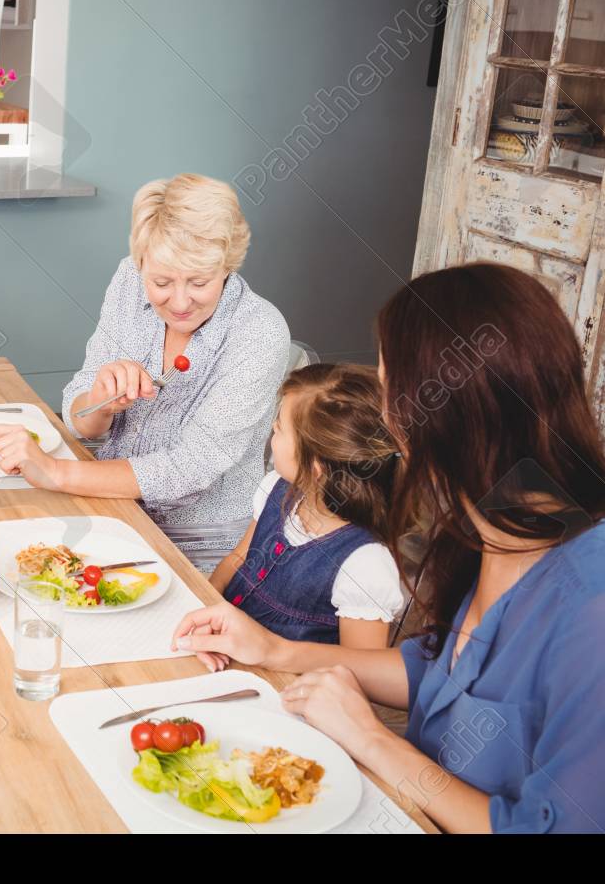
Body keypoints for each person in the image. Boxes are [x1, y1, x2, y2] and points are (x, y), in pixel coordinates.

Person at [172, 263, 605, 833]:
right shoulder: (494, 530)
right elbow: (439, 675)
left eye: (393, 396)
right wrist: (277, 650)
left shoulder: (588, 608)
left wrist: (371, 739)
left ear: (448, 416)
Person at [0, 173, 289, 568]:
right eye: (161, 281)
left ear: (227, 264)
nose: (179, 302)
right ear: (142, 263)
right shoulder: (129, 279)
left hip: (199, 550)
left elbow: (185, 470)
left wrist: (56, 472)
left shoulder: (259, 331)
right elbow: (80, 422)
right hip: (110, 511)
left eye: (199, 282)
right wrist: (100, 401)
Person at [207, 363, 404, 648]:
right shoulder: (275, 487)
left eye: (278, 430)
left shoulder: (365, 564)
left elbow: (360, 667)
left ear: (315, 466)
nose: (271, 436)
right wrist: (206, 600)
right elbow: (239, 559)